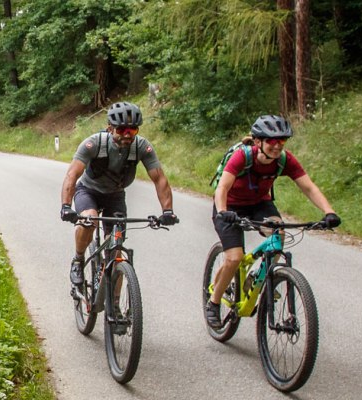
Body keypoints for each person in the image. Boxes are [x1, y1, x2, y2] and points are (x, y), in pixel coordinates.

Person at [205, 115, 341, 327]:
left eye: (282, 141)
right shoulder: (242, 157)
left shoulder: (285, 160)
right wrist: (223, 211)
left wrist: (329, 212)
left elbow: (308, 187)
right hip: (229, 206)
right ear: (258, 141)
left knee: (278, 235)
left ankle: (257, 280)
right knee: (234, 258)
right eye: (272, 141)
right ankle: (214, 302)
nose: (277, 146)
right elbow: (222, 188)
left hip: (259, 204)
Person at [59, 102, 179, 293]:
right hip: (88, 191)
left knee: (116, 251)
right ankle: (78, 259)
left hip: (115, 195)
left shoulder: (141, 147)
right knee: (89, 219)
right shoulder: (94, 143)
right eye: (122, 129)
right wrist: (66, 206)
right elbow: (72, 175)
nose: (127, 134)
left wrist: (168, 211)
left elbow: (159, 178)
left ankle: (116, 311)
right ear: (110, 128)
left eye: (132, 129)